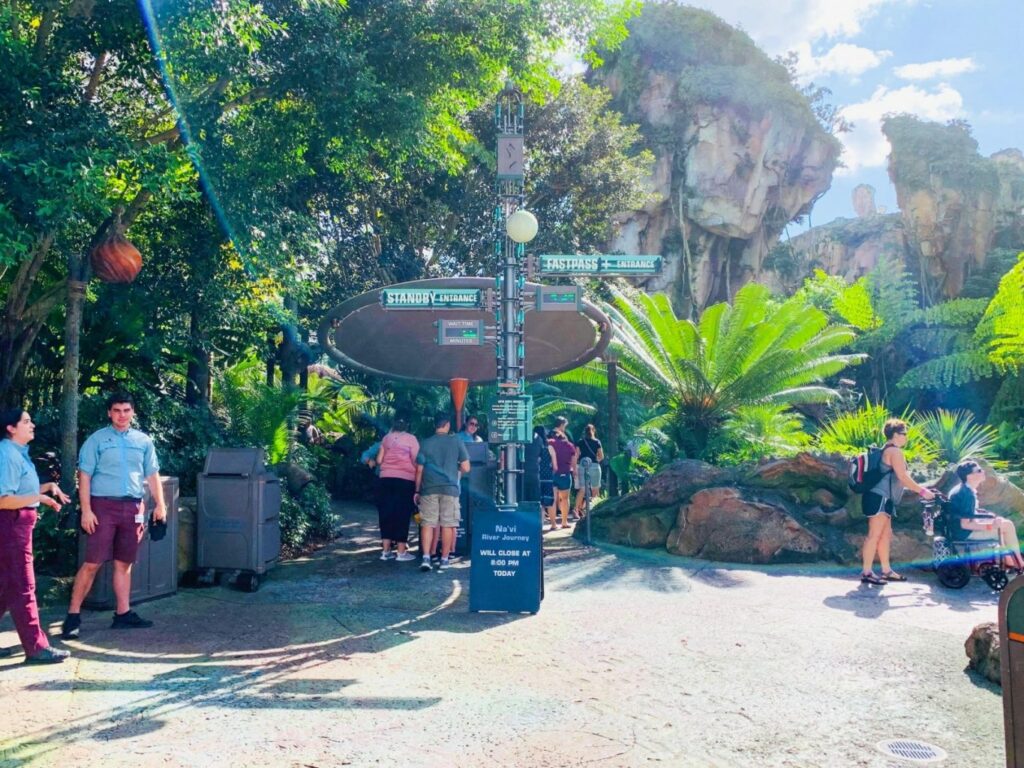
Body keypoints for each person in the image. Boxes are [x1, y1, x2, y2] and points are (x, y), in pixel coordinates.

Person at [61, 392, 166, 639]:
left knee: (124, 563)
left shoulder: (143, 441)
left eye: (126, 410)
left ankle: (123, 614)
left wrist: (161, 505)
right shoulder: (96, 440)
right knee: (92, 563)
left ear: (133, 412)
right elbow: (84, 476)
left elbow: (152, 475)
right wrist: (86, 510)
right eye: (117, 410)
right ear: (109, 412)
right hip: (102, 507)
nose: (122, 415)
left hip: (132, 507)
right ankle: (73, 617)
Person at [0, 408, 71, 663]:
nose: (32, 425)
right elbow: (4, 500)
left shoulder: (18, 453)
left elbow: (22, 490)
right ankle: (36, 648)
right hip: (11, 526)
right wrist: (39, 498)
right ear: (11, 428)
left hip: (17, 525)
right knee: (23, 586)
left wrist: (48, 488)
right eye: (26, 421)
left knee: (6, 587)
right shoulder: (7, 454)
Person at [860, 418, 934, 585]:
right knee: (874, 535)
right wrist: (923, 491)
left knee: (885, 536)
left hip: (885, 499)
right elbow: (903, 477)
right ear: (894, 435)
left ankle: (886, 571)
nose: (906, 437)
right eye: (903, 433)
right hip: (879, 498)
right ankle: (866, 572)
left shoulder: (888, 450)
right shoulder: (894, 452)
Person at [414, 414, 469, 572]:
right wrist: (455, 469)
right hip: (450, 488)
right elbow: (466, 467)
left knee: (428, 523)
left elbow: (419, 470)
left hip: (429, 488)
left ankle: (426, 558)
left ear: (435, 425)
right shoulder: (456, 441)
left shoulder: (425, 443)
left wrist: (417, 490)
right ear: (447, 425)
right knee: (448, 524)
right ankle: (444, 560)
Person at [946, 460, 1024, 571]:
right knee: (1006, 527)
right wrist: (990, 526)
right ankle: (1018, 563)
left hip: (959, 529)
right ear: (970, 476)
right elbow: (965, 524)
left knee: (1005, 523)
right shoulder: (967, 494)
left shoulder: (963, 489)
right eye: (978, 470)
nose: (983, 471)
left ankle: (1012, 561)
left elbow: (968, 514)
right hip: (964, 533)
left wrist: (985, 515)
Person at [374, 417, 418, 562]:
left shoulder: (386, 438)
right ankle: (401, 552)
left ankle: (386, 551)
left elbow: (380, 460)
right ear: (406, 426)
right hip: (405, 480)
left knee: (386, 513)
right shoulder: (411, 439)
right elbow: (415, 460)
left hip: (385, 479)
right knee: (402, 514)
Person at [573, 424, 605, 518]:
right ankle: (594, 511)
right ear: (593, 431)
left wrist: (574, 467)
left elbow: (576, 455)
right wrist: (596, 461)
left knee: (582, 489)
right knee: (595, 489)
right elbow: (601, 456)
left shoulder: (580, 442)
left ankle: (576, 509)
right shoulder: (597, 442)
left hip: (583, 466)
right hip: (594, 466)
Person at [548, 426, 576, 531]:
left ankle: (553, 524)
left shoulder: (550, 443)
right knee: (565, 499)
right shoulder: (570, 446)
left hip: (552, 474)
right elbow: (574, 461)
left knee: (553, 500)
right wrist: (575, 473)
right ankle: (564, 522)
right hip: (565, 473)